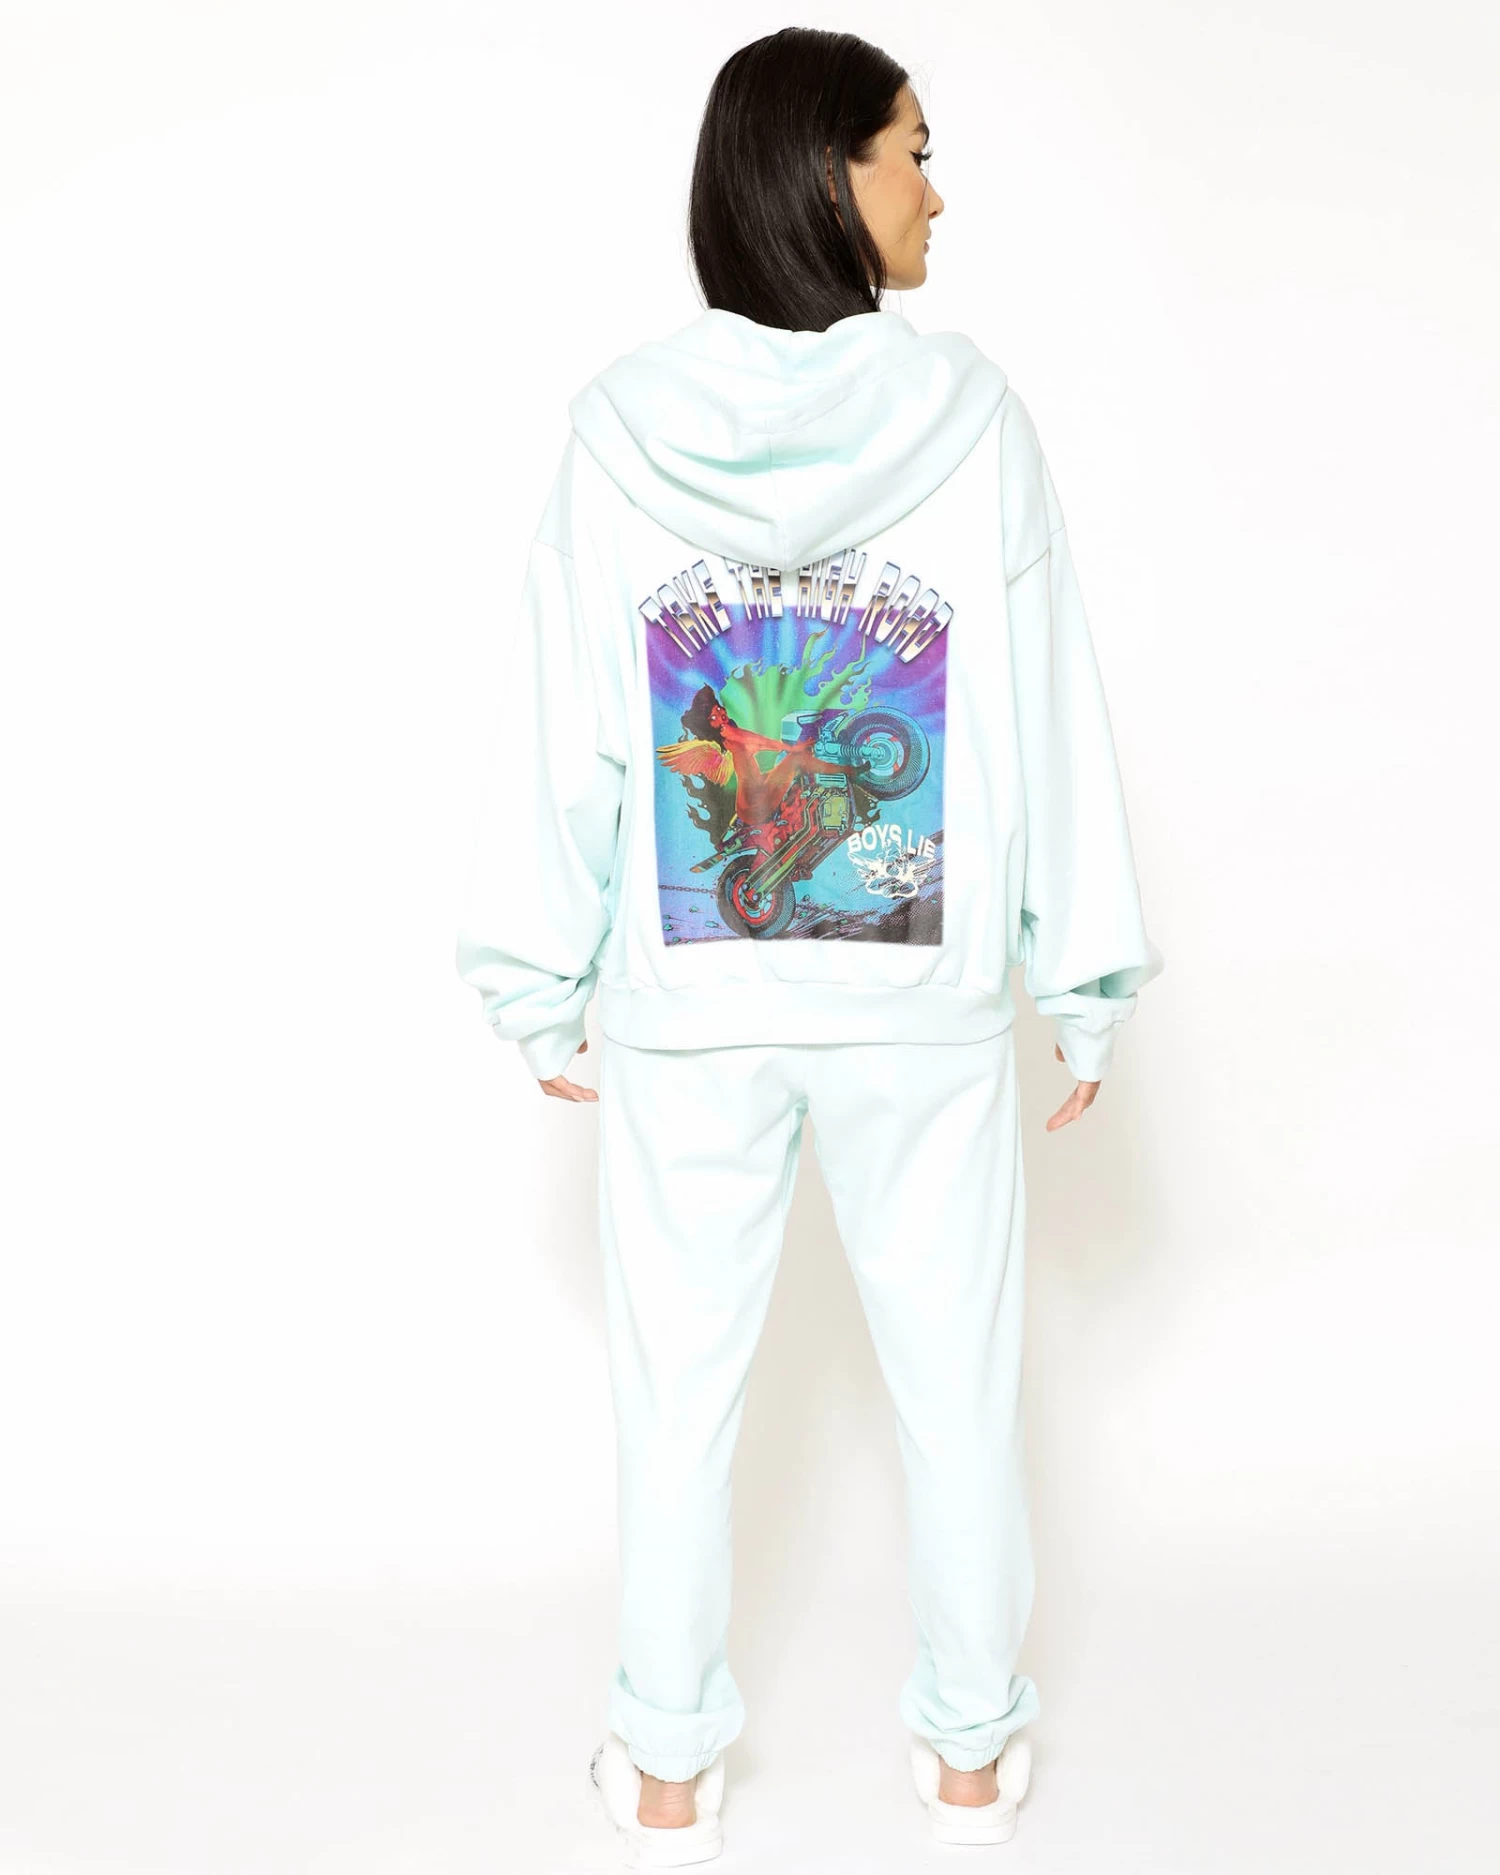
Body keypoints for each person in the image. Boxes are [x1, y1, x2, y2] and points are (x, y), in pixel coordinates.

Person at [455, 26, 1162, 1865]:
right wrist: (1079, 975)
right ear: (821, 174)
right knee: (960, 1385)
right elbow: (1048, 703)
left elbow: (563, 724)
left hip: (689, 1002)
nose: (937, 190)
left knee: (675, 1397)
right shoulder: (975, 421)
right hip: (922, 1001)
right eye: (912, 149)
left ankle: (664, 1768)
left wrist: (538, 973)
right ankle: (968, 1760)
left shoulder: (616, 432)